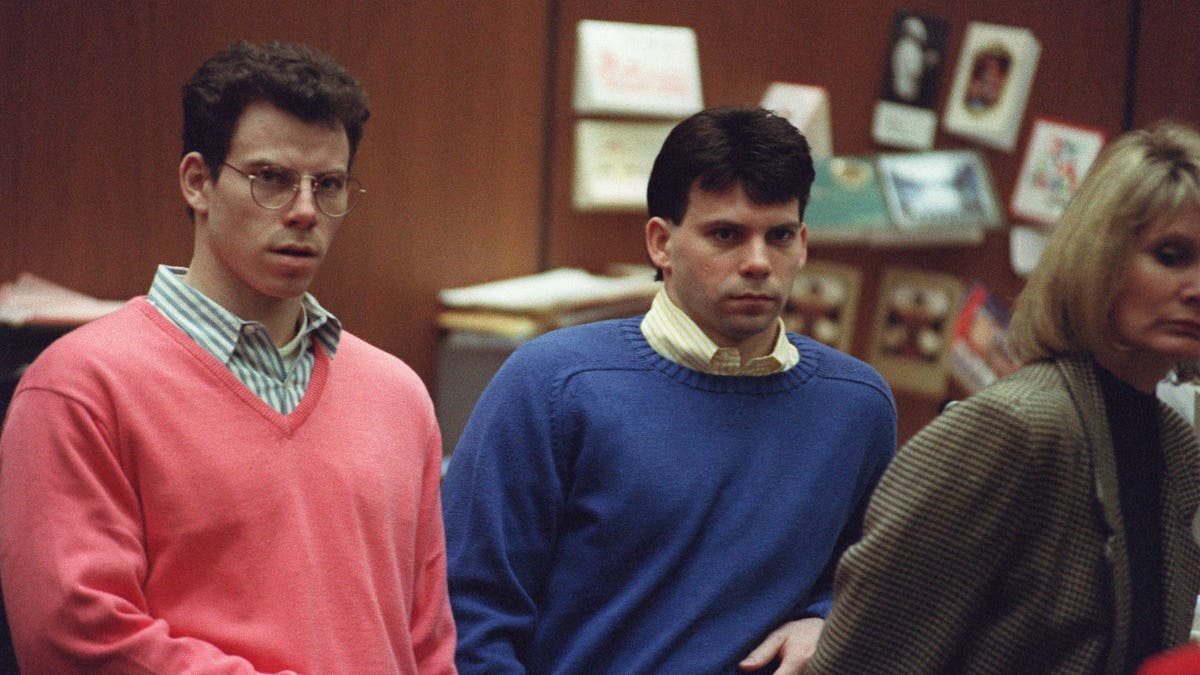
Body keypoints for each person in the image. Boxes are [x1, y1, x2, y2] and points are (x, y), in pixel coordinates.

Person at [0, 41, 456, 673]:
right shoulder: (80, 385)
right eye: (270, 179)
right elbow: (75, 635)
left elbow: (427, 642)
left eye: (328, 185)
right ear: (198, 182)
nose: (304, 212)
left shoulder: (398, 395)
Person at [441, 106, 896, 673]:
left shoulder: (856, 406)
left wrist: (827, 617)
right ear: (661, 243)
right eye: (726, 234)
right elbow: (467, 614)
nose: (758, 263)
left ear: (802, 243)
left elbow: (879, 584)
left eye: (778, 236)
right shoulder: (554, 384)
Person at [807, 121, 1200, 674]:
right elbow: (864, 659)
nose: (1196, 286)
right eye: (1171, 254)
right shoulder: (1014, 426)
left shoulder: (1175, 444)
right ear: (1101, 261)